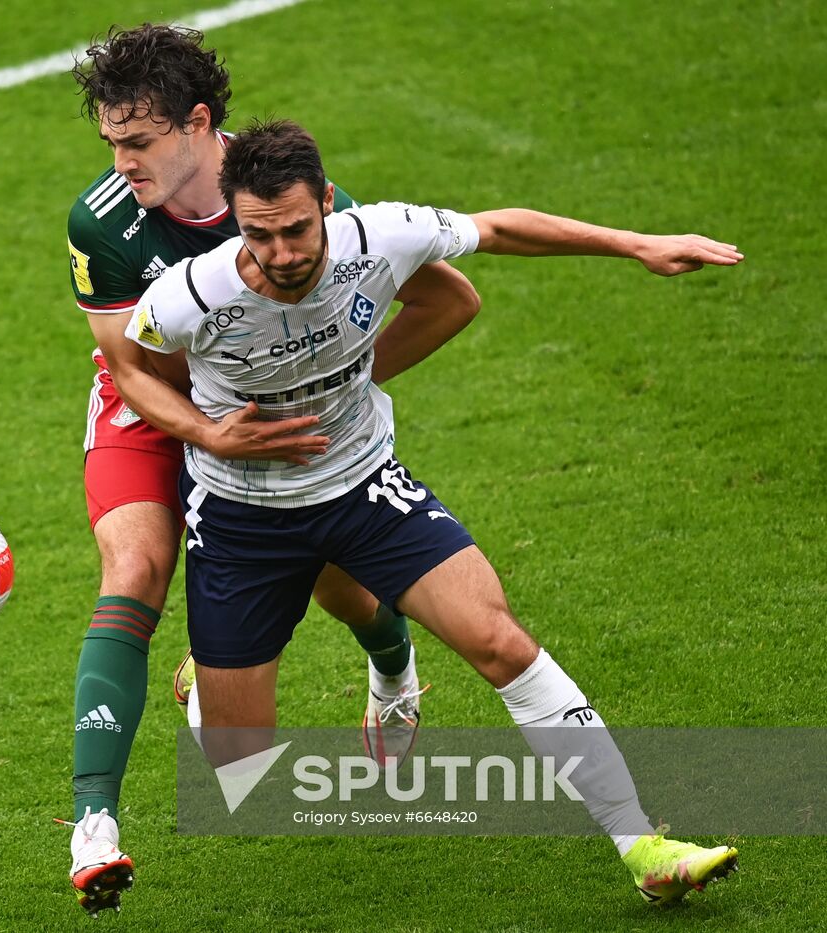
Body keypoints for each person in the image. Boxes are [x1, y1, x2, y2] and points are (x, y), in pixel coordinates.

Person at [121, 117, 743, 906]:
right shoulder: (193, 294)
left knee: (499, 640)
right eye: (259, 235)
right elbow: (129, 367)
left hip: (363, 485)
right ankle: (212, 681)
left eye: (298, 230)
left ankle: (641, 843)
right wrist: (210, 432)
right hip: (244, 519)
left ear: (326, 202)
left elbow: (502, 229)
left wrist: (638, 244)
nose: (282, 254)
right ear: (237, 221)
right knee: (238, 766)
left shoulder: (379, 235)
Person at [63, 25, 481, 916]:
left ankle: (392, 669)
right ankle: (93, 824)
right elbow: (133, 367)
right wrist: (209, 435)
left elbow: (374, 308)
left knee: (336, 579)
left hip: (273, 410)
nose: (122, 159)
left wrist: (334, 386)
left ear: (197, 125)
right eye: (111, 142)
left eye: (137, 141)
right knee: (133, 569)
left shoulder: (288, 198)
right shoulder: (101, 221)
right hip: (154, 409)